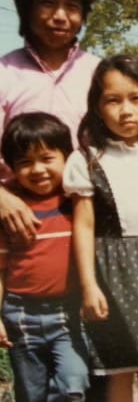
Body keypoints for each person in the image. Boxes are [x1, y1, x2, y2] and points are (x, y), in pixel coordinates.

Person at [0, 0, 138, 247]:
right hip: (22, 224)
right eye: (47, 3)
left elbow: (131, 125)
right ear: (26, 8)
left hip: (94, 222)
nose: (60, 16)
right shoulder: (5, 73)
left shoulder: (101, 74)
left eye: (72, 6)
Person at [63, 55, 138, 402]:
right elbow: (84, 225)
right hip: (110, 274)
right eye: (113, 100)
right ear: (98, 108)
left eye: (136, 98)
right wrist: (88, 285)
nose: (126, 111)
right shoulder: (87, 159)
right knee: (118, 368)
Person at [0, 112, 89, 401]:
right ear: (11, 167)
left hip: (68, 311)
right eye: (25, 162)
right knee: (31, 391)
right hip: (20, 313)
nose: (38, 169)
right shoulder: (11, 211)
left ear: (67, 157)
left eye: (47, 158)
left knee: (74, 381)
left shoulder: (76, 200)